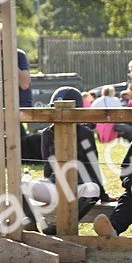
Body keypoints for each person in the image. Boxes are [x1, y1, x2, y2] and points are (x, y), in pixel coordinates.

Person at [22, 86, 110, 235]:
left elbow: (93, 165)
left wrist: (104, 194)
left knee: (93, 189)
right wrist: (46, 185)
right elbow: (48, 167)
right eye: (55, 109)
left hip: (78, 187)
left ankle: (62, 227)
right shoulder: (46, 134)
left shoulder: (86, 134)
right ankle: (34, 227)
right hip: (55, 186)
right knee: (21, 184)